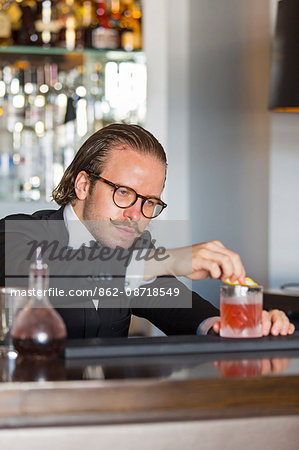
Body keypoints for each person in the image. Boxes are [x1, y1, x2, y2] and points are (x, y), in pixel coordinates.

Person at [0, 124, 294, 338]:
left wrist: (241, 324)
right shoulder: (17, 233)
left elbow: (183, 309)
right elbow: (45, 275)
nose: (136, 214)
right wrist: (166, 259)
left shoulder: (132, 256)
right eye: (124, 193)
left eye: (149, 202)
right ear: (83, 185)